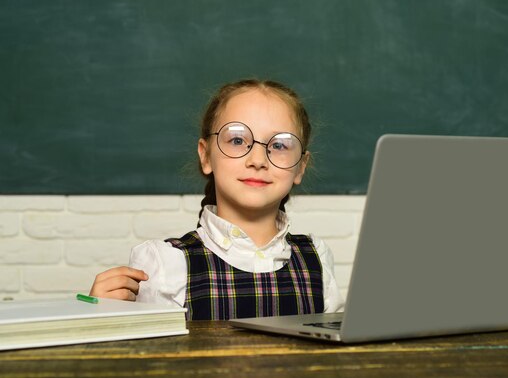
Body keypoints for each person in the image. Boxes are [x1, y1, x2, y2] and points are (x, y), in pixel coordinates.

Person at [89, 79, 344, 320]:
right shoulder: (167, 264)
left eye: (279, 145)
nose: (257, 160)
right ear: (206, 156)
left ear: (300, 166)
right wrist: (98, 319)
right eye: (236, 140)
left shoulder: (316, 258)